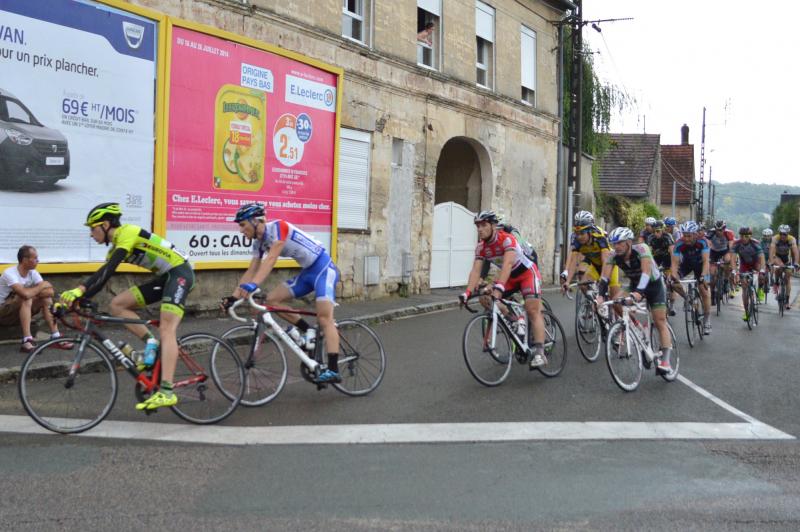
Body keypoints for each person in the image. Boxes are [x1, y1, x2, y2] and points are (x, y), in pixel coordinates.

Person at [59, 202, 194, 410]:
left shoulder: (128, 233)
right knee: (117, 304)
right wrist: (74, 300)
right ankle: (151, 344)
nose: (91, 234)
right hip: (165, 278)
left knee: (167, 329)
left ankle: (167, 392)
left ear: (105, 225)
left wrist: (79, 290)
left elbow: (108, 270)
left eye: (93, 229)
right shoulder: (115, 247)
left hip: (180, 274)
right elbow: (101, 279)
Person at [230, 203, 342, 383]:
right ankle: (308, 330)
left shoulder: (279, 227)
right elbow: (252, 269)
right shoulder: (259, 243)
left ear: (256, 221)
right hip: (307, 273)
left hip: (324, 269)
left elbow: (271, 259)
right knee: (272, 300)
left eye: (243, 225)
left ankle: (334, 369)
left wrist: (254, 284)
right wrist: (233, 297)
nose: (241, 230)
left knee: (324, 318)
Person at [459, 210, 547, 368]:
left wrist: (498, 287)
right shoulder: (481, 247)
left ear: (493, 226)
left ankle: (540, 352)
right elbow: (476, 271)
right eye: (478, 226)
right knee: (485, 298)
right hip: (510, 277)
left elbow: (508, 264)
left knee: (532, 309)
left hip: (526, 273)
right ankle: (514, 320)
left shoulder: (507, 239)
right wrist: (467, 293)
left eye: (483, 225)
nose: (480, 229)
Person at [597, 227, 674, 375]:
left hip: (654, 285)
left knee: (660, 321)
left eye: (620, 243)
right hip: (635, 284)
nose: (616, 246)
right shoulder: (613, 255)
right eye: (614, 243)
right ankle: (636, 327)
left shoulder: (642, 249)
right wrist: (600, 296)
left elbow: (646, 273)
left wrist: (639, 292)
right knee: (616, 301)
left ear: (628, 242)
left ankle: (666, 361)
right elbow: (605, 278)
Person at [0, 245, 70, 353]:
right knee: (26, 298)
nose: (38, 260)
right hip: (3, 313)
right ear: (25, 260)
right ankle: (27, 340)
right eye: (35, 258)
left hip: (17, 313)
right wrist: (41, 286)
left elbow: (50, 292)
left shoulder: (33, 273)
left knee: (46, 299)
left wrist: (34, 292)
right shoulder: (10, 273)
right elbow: (25, 294)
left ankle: (55, 336)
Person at [560, 210, 621, 300]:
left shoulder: (599, 237)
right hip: (595, 265)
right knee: (583, 285)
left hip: (609, 266)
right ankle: (593, 304)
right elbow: (574, 260)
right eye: (577, 233)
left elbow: (605, 260)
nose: (579, 237)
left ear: (590, 231)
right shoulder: (575, 238)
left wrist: (602, 280)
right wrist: (568, 281)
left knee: (614, 300)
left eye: (582, 233)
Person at [671, 221, 712, 334]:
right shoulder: (679, 243)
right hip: (687, 265)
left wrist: (703, 276)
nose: (686, 239)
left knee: (704, 290)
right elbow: (674, 263)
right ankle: (689, 299)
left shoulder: (702, 242)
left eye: (689, 236)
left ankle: (707, 319)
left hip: (701, 266)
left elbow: (706, 261)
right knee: (672, 283)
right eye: (684, 235)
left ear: (695, 234)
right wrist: (674, 276)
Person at [731, 227, 765, 319]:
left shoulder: (755, 243)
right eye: (742, 236)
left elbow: (762, 257)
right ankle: (746, 312)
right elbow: (733, 259)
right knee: (744, 288)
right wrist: (734, 271)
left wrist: (762, 270)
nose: (744, 238)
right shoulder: (736, 243)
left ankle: (760, 289)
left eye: (746, 236)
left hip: (756, 263)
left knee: (762, 276)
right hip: (744, 264)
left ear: (750, 236)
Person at [646, 220, 676, 315]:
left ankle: (672, 305)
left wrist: (673, 267)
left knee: (671, 283)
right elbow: (648, 253)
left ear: (663, 230)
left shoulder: (668, 237)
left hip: (667, 259)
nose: (656, 233)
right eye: (654, 231)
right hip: (656, 260)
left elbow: (672, 253)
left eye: (658, 231)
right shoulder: (650, 238)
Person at [768, 224, 799, 310]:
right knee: (779, 266)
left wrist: (796, 263)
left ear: (787, 234)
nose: (782, 236)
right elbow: (771, 250)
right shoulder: (775, 238)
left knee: (787, 277)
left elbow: (795, 251)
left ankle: (787, 301)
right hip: (777, 257)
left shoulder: (791, 239)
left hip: (787, 259)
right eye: (781, 233)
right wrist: (771, 262)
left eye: (784, 234)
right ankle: (776, 282)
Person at [706, 219, 736, 298]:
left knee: (727, 260)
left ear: (724, 229)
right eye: (717, 230)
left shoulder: (729, 233)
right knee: (712, 273)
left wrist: (731, 259)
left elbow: (731, 248)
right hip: (713, 251)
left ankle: (726, 279)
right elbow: (707, 245)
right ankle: (712, 292)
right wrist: (707, 257)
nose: (719, 232)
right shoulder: (710, 232)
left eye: (721, 230)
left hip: (724, 250)